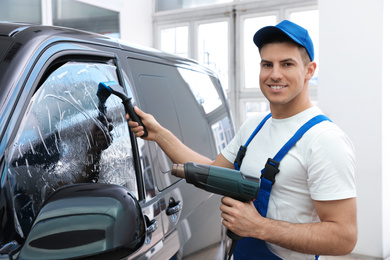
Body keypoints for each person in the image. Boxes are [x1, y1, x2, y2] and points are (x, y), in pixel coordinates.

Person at [128, 20, 357, 260]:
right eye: (267, 64)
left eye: (287, 64)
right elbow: (212, 172)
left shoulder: (324, 140)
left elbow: (344, 236)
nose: (274, 74)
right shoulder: (254, 126)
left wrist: (259, 227)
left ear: (309, 70)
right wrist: (158, 134)